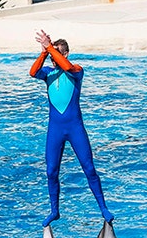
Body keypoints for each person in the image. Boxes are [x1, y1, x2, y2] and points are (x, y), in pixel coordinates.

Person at [29, 29, 114, 227]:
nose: (53, 60)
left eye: (55, 55)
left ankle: (103, 208)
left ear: (65, 53)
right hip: (55, 130)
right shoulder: (48, 74)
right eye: (51, 57)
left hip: (75, 128)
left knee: (89, 168)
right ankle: (54, 211)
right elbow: (33, 72)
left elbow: (66, 66)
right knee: (51, 171)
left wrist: (50, 47)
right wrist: (44, 52)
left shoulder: (76, 70)